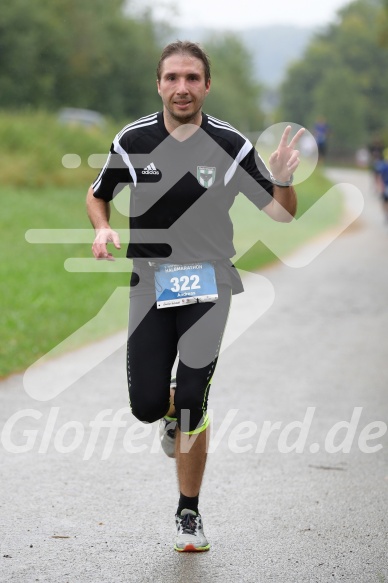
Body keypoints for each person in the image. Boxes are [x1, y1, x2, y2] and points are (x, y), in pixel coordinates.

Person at [86, 40, 304, 552]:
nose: (181, 88)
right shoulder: (133, 139)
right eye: (172, 78)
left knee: (190, 400)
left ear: (207, 85)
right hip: (149, 283)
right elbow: (98, 194)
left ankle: (188, 512)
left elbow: (282, 213)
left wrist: (284, 179)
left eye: (191, 78)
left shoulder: (230, 145)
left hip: (208, 283)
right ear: (159, 84)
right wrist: (101, 228)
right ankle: (165, 414)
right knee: (146, 405)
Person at [374, 147, 388, 223]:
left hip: (385, 187)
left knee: (385, 202)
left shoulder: (384, 166)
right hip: (385, 186)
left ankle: (386, 215)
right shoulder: (384, 166)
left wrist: (379, 187)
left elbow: (379, 177)